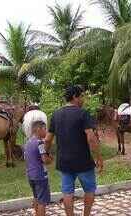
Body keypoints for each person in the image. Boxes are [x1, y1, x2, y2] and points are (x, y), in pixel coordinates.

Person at [45, 85, 103, 216]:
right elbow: (91, 138)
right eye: (81, 96)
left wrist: (46, 153)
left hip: (64, 162)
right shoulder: (83, 113)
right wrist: (98, 157)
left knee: (67, 193)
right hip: (83, 162)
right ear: (75, 97)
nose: (83, 99)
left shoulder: (56, 114)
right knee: (89, 190)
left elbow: (48, 139)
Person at [24, 121, 52, 216]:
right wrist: (50, 159)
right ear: (38, 129)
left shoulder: (28, 142)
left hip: (30, 175)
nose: (46, 132)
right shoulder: (40, 143)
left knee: (36, 198)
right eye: (45, 129)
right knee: (42, 202)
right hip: (40, 175)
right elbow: (44, 159)